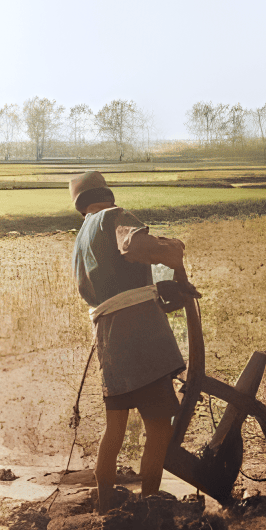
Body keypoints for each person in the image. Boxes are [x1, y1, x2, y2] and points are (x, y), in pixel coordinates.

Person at [69, 171, 199, 511]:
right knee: (158, 425)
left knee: (115, 428)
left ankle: (105, 504)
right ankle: (150, 502)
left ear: (80, 204)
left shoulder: (81, 236)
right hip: (140, 335)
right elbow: (137, 246)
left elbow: (115, 285)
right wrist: (172, 249)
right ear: (106, 195)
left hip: (109, 340)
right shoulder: (114, 217)